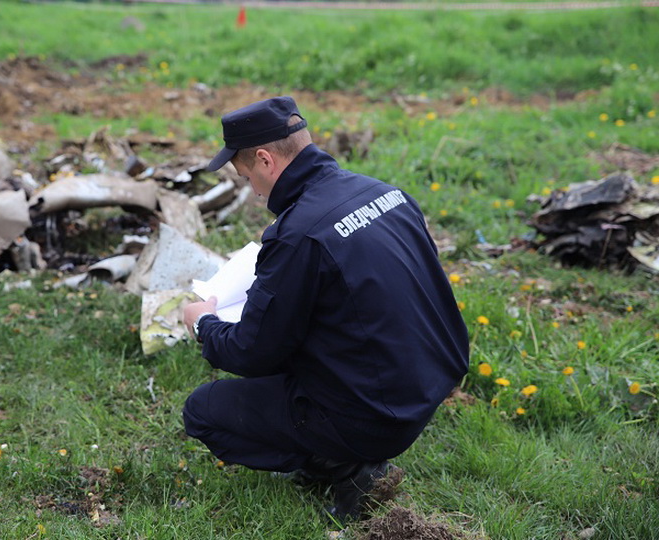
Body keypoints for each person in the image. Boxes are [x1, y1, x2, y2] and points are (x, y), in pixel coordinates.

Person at [182, 96, 469, 522]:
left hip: (378, 416)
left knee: (203, 411)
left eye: (247, 177)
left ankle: (350, 467)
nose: (254, 191)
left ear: (265, 160)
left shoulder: (299, 235)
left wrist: (203, 323)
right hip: (431, 383)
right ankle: (353, 445)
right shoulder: (386, 193)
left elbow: (250, 353)